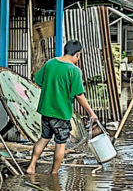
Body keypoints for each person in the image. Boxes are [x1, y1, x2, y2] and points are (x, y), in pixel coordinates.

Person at [27, 40, 97, 174]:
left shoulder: (50, 63)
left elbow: (38, 80)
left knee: (44, 138)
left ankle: (31, 166)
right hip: (61, 113)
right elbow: (79, 96)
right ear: (77, 54)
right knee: (60, 144)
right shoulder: (74, 70)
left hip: (46, 111)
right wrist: (91, 113)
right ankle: (54, 174)